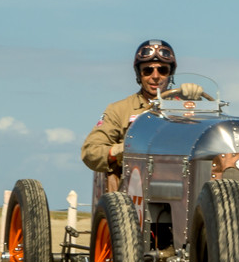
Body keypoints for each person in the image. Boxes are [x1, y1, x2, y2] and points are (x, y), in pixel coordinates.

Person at [80, 39, 204, 184]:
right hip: (134, 186)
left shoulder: (185, 105)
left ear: (170, 74)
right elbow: (90, 152)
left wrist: (197, 103)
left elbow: (207, 141)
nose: (155, 76)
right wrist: (120, 151)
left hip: (182, 181)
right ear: (139, 74)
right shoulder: (120, 110)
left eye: (162, 70)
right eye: (148, 70)